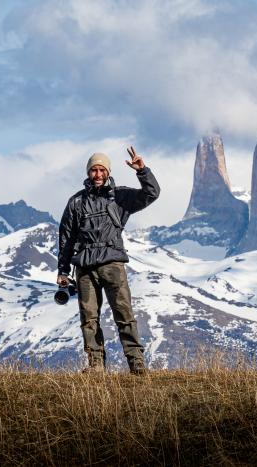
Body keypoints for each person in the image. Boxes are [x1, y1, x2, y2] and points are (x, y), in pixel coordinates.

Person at [57, 147, 160, 374]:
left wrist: (142, 171)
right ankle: (95, 366)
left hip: (112, 264)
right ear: (88, 173)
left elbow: (151, 194)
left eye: (102, 170)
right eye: (94, 170)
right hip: (85, 268)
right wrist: (62, 271)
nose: (98, 174)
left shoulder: (120, 197)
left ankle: (137, 364)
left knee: (124, 314)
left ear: (108, 172)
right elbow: (66, 238)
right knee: (89, 318)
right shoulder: (76, 202)